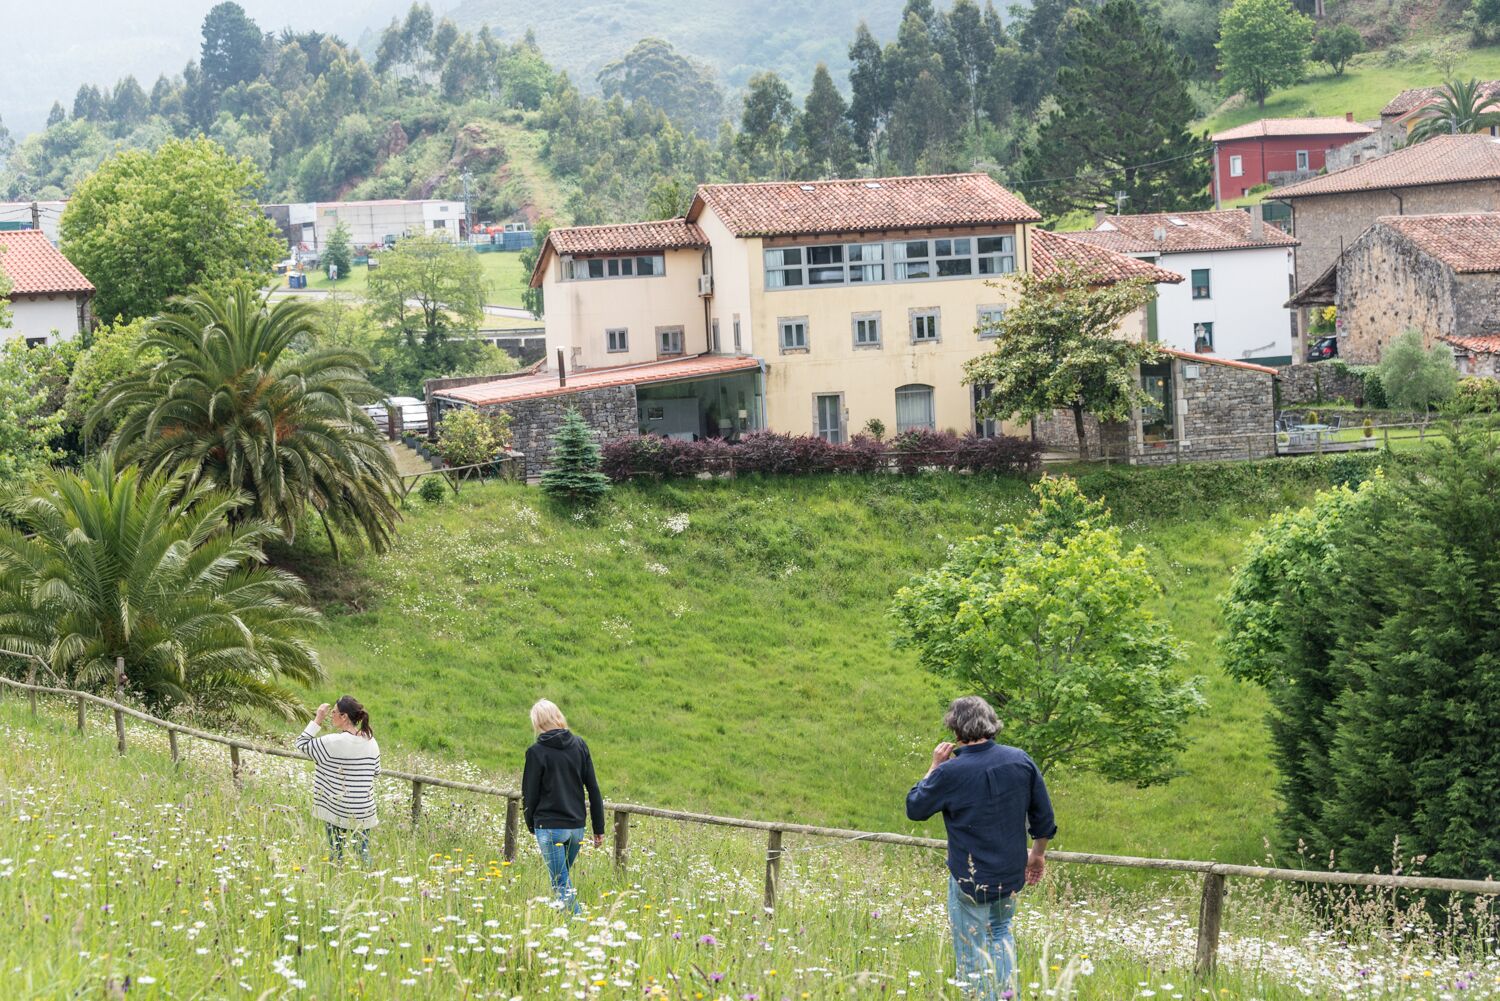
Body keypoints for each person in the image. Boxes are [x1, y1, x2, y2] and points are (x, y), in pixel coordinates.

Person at [906, 696, 1056, 1001]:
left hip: (969, 880)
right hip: (1010, 875)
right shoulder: (1020, 759)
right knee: (1001, 936)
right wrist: (1037, 854)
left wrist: (934, 767)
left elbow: (915, 807)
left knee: (972, 955)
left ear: (955, 728)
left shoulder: (951, 772)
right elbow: (1044, 817)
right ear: (991, 724)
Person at [521, 699, 605, 913]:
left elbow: (529, 795)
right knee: (561, 881)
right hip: (576, 828)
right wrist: (599, 829)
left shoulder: (536, 752)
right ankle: (562, 926)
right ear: (558, 716)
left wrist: (531, 825)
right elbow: (593, 789)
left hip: (549, 827)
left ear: (538, 723)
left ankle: (580, 927)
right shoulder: (580, 745)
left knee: (560, 884)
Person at [295, 695, 380, 865]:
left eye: (333, 712)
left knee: (336, 854)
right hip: (364, 809)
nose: (331, 715)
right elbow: (376, 771)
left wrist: (318, 718)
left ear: (344, 717)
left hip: (337, 807)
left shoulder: (333, 742)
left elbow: (301, 744)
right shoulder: (371, 741)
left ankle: (335, 880)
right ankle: (370, 881)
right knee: (363, 855)